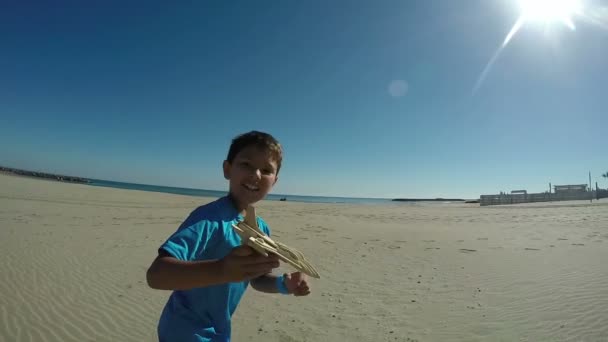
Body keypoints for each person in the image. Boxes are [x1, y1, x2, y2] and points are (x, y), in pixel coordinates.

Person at [146, 130, 311, 342]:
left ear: (275, 181)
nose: (256, 175)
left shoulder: (261, 229)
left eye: (266, 170)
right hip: (183, 330)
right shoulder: (208, 219)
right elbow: (156, 275)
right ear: (227, 169)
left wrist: (283, 285)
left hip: (219, 331)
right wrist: (222, 270)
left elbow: (256, 279)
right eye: (246, 165)